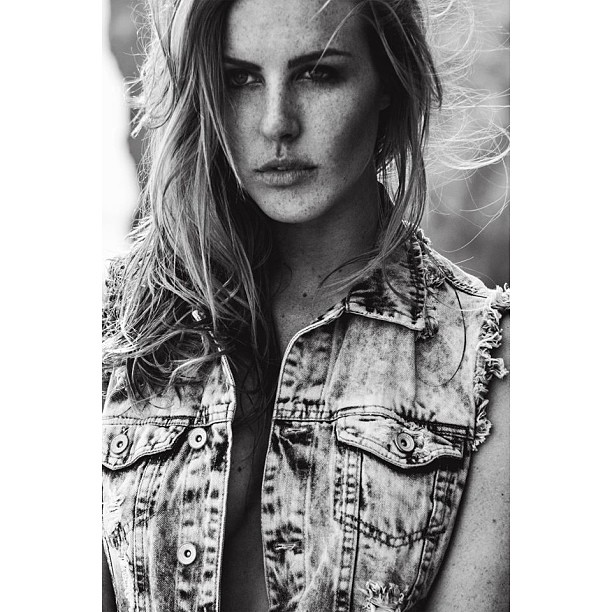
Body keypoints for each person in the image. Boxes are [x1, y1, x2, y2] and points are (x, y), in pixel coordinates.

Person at [102, 0, 510, 610]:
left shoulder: (483, 366)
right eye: (240, 78)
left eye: (318, 73)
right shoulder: (118, 327)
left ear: (389, 82)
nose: (276, 124)